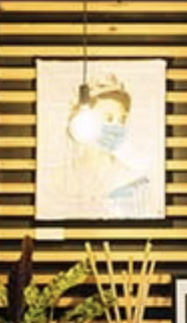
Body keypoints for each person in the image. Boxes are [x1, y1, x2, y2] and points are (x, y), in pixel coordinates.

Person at [65, 74, 154, 218]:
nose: (116, 126)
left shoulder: (132, 179)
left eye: (122, 119)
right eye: (108, 118)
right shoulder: (61, 177)